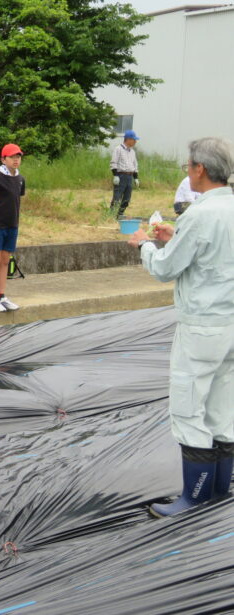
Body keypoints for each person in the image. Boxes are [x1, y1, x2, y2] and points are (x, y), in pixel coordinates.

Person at [128, 136, 234, 517]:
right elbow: (214, 254)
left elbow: (165, 268)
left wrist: (143, 244)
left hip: (202, 327)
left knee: (190, 410)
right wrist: (176, 237)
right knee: (222, 409)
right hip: (230, 324)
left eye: (189, 165)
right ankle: (220, 491)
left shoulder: (200, 214)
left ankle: (194, 497)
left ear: (199, 169)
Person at [0, 144, 24, 313]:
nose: (16, 160)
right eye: (12, 157)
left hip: (12, 224)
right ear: (3, 159)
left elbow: (18, 199)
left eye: (18, 157)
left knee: (5, 260)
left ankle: (1, 295)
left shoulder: (21, 178)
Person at [110, 129, 140, 219]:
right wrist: (115, 175)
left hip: (129, 176)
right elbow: (113, 163)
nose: (135, 141)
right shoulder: (118, 149)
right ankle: (111, 214)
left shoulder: (132, 152)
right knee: (117, 197)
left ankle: (120, 214)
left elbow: (135, 166)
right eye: (134, 139)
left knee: (127, 197)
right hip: (121, 175)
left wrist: (136, 178)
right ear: (128, 139)